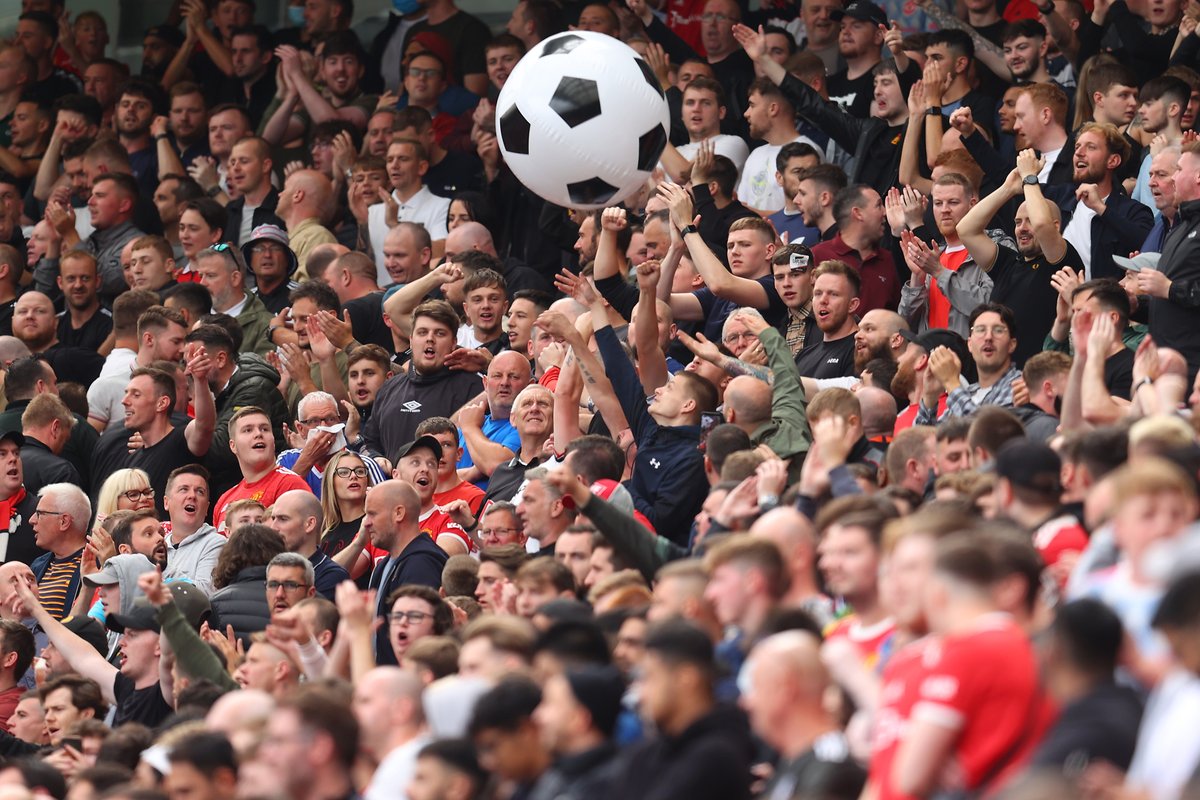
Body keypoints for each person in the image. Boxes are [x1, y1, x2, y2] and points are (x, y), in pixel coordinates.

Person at [608, 619, 753, 800]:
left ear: (686, 678)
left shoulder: (717, 758)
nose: (640, 695)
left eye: (649, 678)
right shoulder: (646, 754)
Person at [365, 480, 449, 665]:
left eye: (372, 514)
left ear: (399, 513)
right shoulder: (384, 565)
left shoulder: (421, 563)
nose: (366, 523)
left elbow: (419, 642)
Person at [212, 407, 312, 532]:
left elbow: (302, 542)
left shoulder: (290, 484)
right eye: (248, 430)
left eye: (264, 429)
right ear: (233, 446)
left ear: (273, 441)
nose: (258, 434)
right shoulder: (224, 500)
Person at [267, 490, 350, 600]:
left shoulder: (332, 576)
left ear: (310, 524)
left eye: (283, 519)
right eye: (273, 518)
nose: (273, 527)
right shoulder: (268, 568)